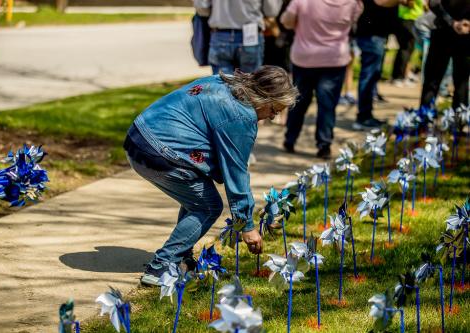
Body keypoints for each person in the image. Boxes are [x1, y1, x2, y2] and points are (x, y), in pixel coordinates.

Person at [124, 66, 298, 286]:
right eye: (274, 109)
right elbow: (236, 175)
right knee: (208, 206)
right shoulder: (241, 117)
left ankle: (181, 259)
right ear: (263, 97)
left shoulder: (225, 82)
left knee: (197, 196)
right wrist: (246, 225)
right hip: (157, 153)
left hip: (137, 137)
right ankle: (160, 267)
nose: (273, 117)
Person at [281, 0, 363, 159]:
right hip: (334, 58)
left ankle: (290, 139)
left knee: (298, 101)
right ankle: (324, 145)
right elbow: (355, 18)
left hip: (304, 57)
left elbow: (286, 21)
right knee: (327, 104)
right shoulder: (352, 2)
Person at [193, 0, 283, 75]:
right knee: (249, 87)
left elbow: (202, 7)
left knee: (223, 87)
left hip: (221, 34)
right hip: (251, 35)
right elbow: (271, 10)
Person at [352, 0, 403, 131]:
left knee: (371, 76)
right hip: (371, 34)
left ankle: (365, 115)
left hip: (376, 34)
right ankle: (363, 117)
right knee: (368, 77)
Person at [420, 0, 470, 109]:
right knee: (432, 81)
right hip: (442, 33)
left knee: (462, 83)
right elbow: (433, 3)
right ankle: (424, 119)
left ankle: (458, 121)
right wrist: (452, 22)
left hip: (464, 37)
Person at [391, 0, 425, 87]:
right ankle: (398, 77)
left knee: (408, 49)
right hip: (408, 18)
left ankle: (401, 76)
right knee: (406, 48)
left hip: (413, 19)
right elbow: (408, 3)